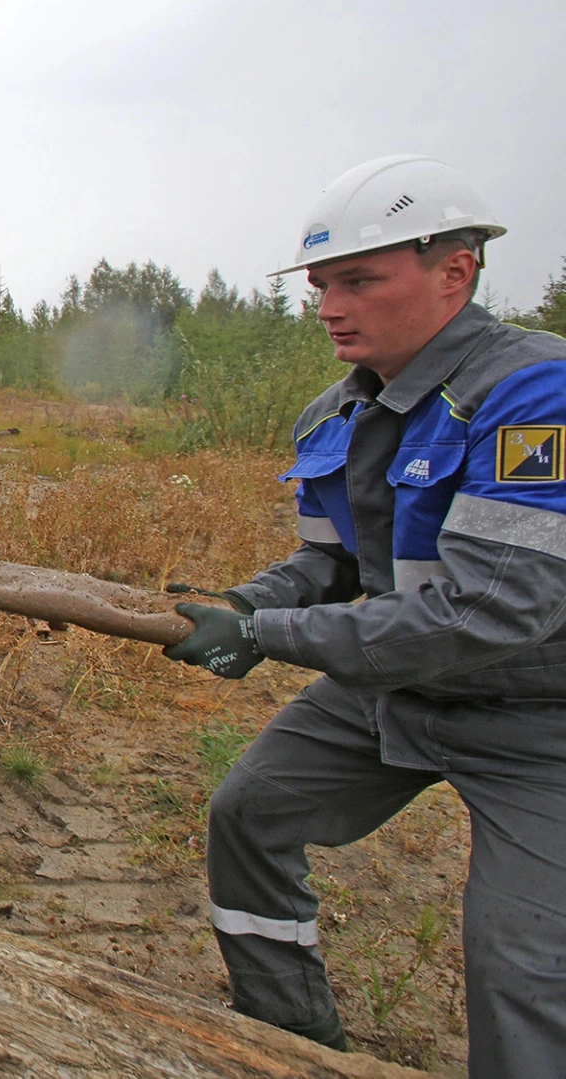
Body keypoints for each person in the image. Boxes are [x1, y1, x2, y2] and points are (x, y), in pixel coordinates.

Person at [165, 155, 566, 1074]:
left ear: (454, 271)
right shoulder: (330, 416)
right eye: (320, 286)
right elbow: (332, 561)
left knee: (523, 966)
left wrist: (267, 637)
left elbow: (489, 612)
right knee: (250, 814)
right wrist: (243, 605)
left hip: (542, 717)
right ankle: (293, 1042)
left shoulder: (533, 394)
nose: (330, 306)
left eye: (359, 280)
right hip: (396, 687)